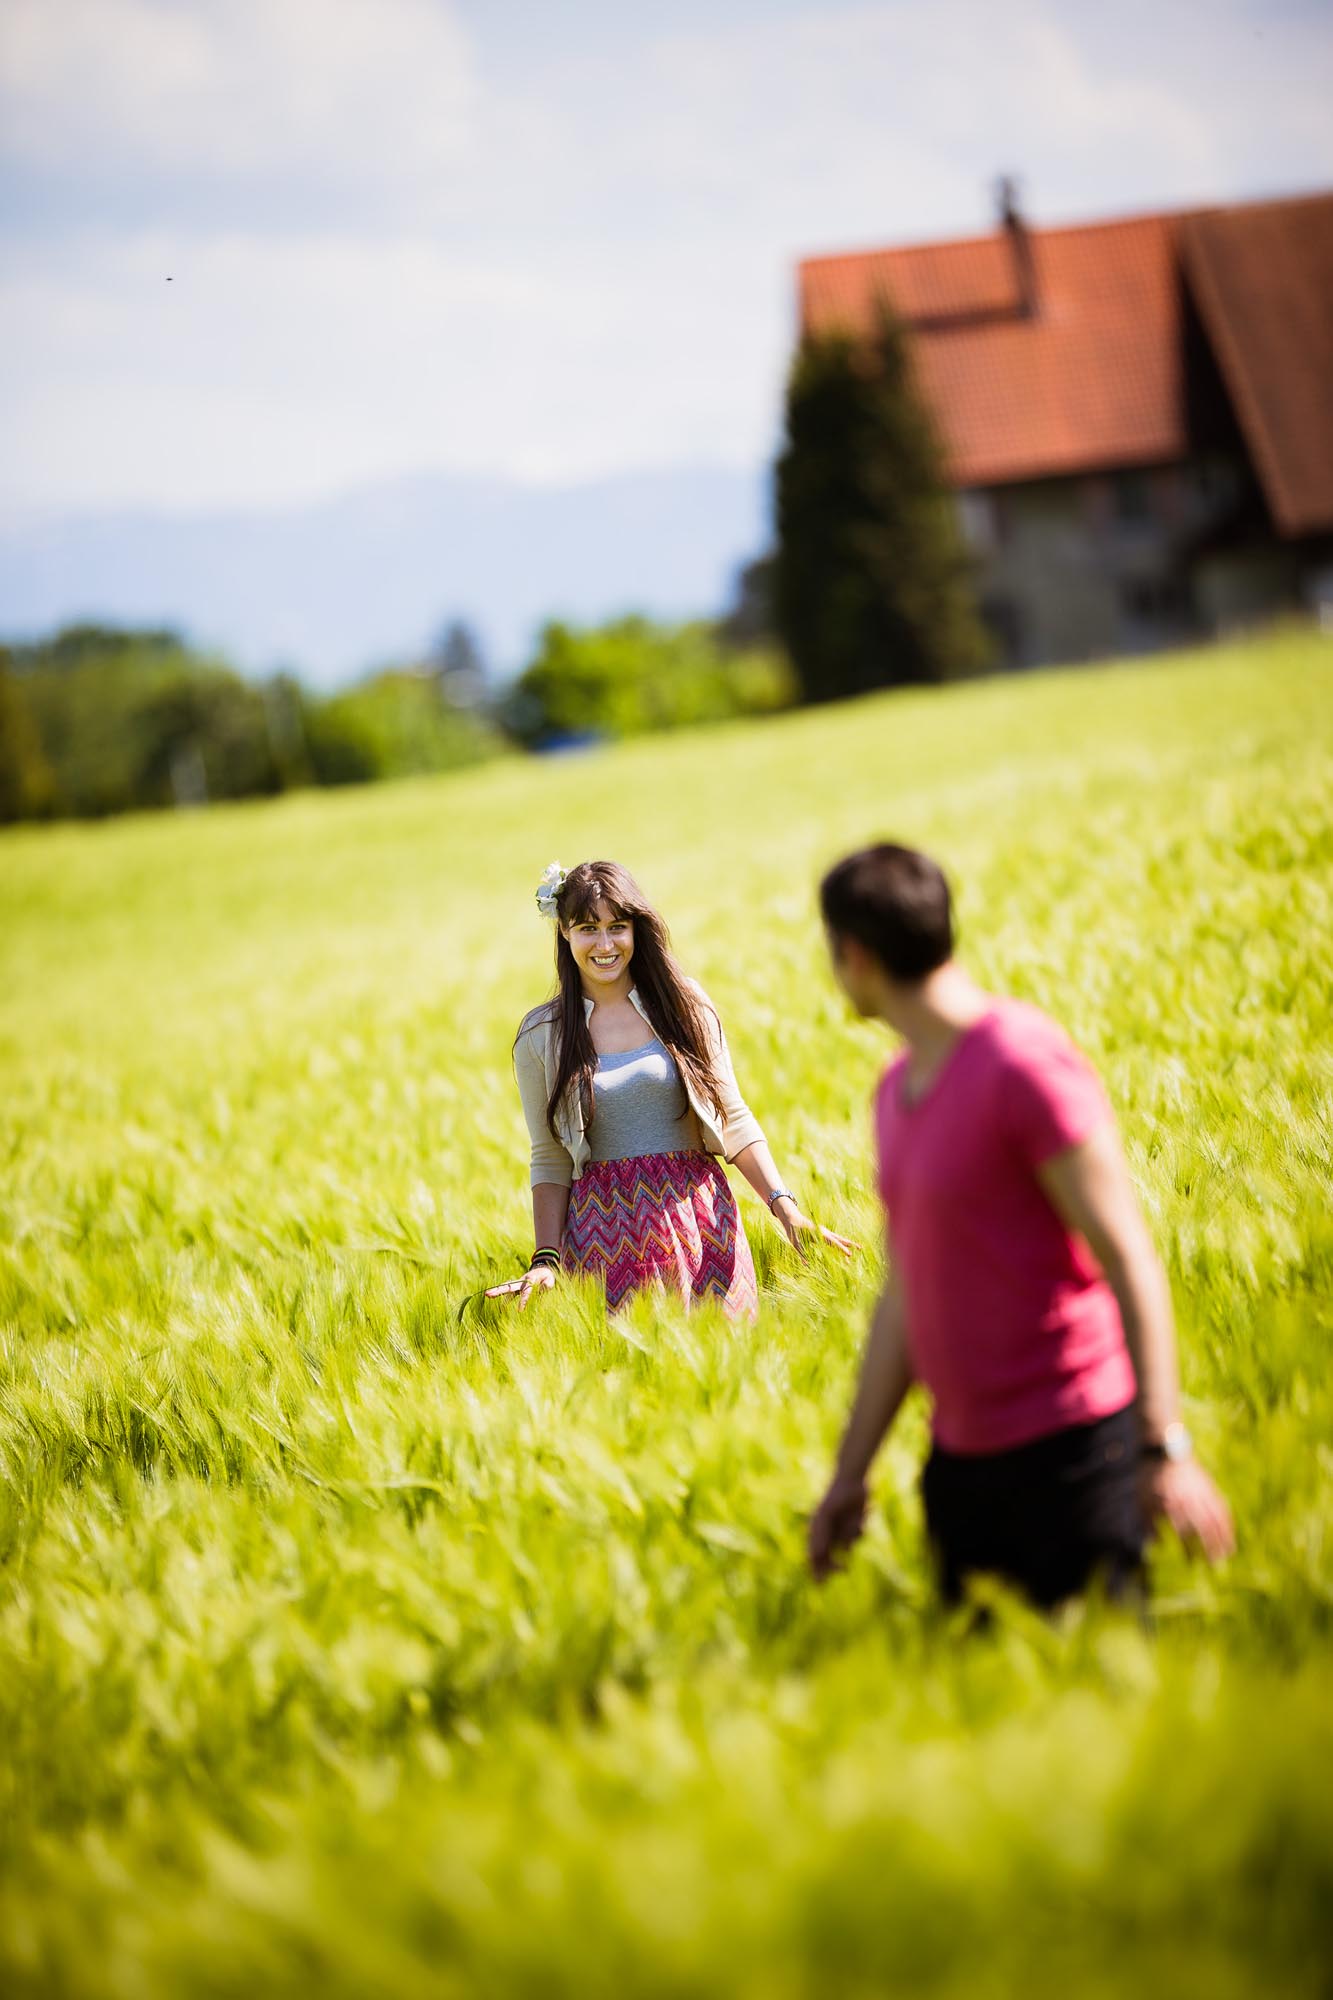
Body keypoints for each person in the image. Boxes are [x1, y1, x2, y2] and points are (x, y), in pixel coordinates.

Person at [808, 841, 1233, 1608]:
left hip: (1077, 1454)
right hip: (960, 1469)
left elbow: (1127, 1255)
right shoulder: (895, 1088)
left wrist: (1162, 1446)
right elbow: (903, 1295)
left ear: (855, 955)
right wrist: (850, 1473)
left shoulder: (1023, 1063)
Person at [495, 859, 853, 1317]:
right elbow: (549, 1157)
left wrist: (786, 1209)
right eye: (588, 927)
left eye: (617, 927)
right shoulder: (541, 1035)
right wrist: (545, 1257)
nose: (605, 944)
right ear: (564, 931)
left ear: (635, 930)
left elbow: (733, 1118)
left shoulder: (684, 1005)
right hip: (601, 1242)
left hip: (704, 1225)